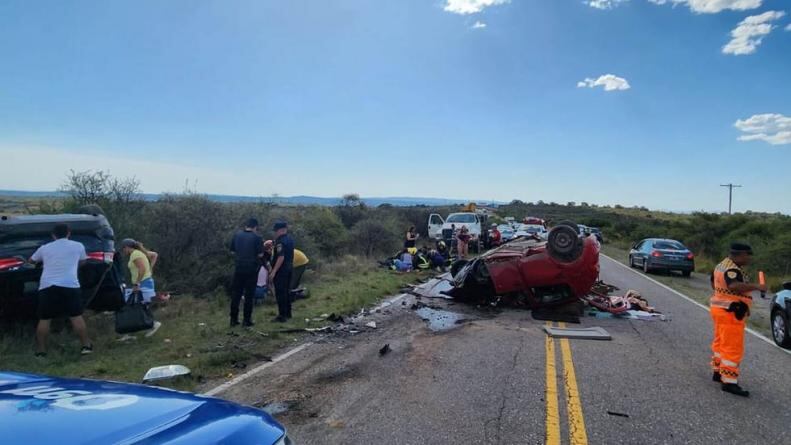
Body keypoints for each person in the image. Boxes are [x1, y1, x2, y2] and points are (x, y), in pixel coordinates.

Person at [709, 242, 766, 397]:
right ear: (740, 255)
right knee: (732, 347)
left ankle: (718, 371)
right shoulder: (732, 269)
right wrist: (757, 287)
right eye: (747, 255)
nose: (749, 259)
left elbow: (713, 283)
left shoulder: (721, 265)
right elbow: (734, 285)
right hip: (731, 312)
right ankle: (729, 381)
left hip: (719, 308)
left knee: (721, 342)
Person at [28, 224, 92, 356]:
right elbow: (83, 262)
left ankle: (41, 351)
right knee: (76, 316)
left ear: (53, 235)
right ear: (69, 233)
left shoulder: (44, 248)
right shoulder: (78, 246)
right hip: (70, 284)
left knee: (45, 318)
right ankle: (86, 346)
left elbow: (31, 261)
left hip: (47, 286)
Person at [120, 238, 162, 336]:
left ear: (126, 247)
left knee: (133, 306)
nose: (123, 251)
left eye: (123, 249)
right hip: (146, 282)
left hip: (142, 284)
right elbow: (154, 255)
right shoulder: (139, 253)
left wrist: (136, 284)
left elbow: (142, 269)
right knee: (135, 306)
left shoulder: (135, 254)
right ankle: (130, 332)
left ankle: (152, 324)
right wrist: (150, 269)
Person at [229, 218, 263, 327]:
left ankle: (233, 319)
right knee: (249, 295)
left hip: (239, 268)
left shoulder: (237, 235)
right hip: (251, 270)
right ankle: (246, 320)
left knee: (236, 295)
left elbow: (232, 251)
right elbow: (260, 255)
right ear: (255, 227)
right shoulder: (257, 237)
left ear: (246, 225)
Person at [269, 221, 295, 323]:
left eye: (276, 231)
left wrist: (274, 271)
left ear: (280, 230)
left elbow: (281, 257)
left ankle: (282, 315)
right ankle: (288, 313)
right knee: (287, 291)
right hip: (289, 268)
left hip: (281, 270)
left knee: (280, 293)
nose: (275, 233)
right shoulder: (290, 239)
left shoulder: (280, 242)